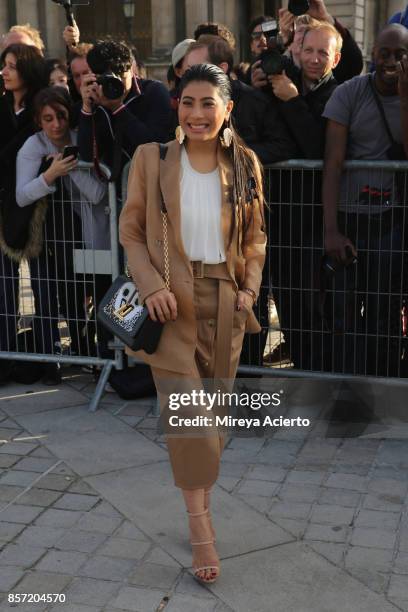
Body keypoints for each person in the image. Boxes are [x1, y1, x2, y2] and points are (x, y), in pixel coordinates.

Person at [119, 64, 266, 583]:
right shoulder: (151, 159)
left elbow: (255, 237)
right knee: (191, 425)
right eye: (187, 102)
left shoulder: (245, 163)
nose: (196, 113)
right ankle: (201, 529)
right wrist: (151, 286)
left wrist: (249, 288)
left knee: (216, 426)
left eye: (208, 103)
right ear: (176, 107)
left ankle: (196, 501)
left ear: (227, 108)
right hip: (170, 306)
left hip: (227, 303)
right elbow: (132, 232)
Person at [322, 24, 408, 376]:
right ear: (373, 53)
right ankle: (347, 388)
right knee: (343, 311)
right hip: (350, 218)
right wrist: (331, 230)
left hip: (391, 221)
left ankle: (383, 386)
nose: (391, 61)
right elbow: (332, 162)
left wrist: (404, 97)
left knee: (384, 312)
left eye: (400, 54)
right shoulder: (349, 93)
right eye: (384, 53)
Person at [16, 87, 110, 377]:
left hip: (94, 232)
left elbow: (98, 193)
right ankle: (77, 353)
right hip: (56, 237)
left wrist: (70, 169)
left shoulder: (81, 135)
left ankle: (104, 354)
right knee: (65, 295)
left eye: (60, 116)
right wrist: (49, 175)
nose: (55, 124)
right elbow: (22, 195)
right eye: (47, 119)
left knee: (99, 290)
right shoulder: (34, 145)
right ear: (38, 121)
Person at [0, 44, 47, 384]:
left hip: (39, 208)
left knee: (45, 285)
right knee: (3, 287)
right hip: (4, 203)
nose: (4, 71)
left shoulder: (40, 107)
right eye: (4, 65)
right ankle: (5, 357)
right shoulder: (1, 105)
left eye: (11, 66)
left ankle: (46, 359)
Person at [78, 40, 172, 182]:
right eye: (108, 79)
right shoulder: (96, 98)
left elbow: (153, 146)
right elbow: (87, 155)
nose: (116, 85)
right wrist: (86, 108)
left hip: (154, 186)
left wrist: (118, 108)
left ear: (132, 69)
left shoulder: (154, 92)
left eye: (120, 77)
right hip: (117, 194)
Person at [251, 0, 363, 91]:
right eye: (300, 30)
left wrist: (326, 18)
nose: (303, 37)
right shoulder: (281, 63)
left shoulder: (325, 70)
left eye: (308, 31)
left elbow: (354, 63)